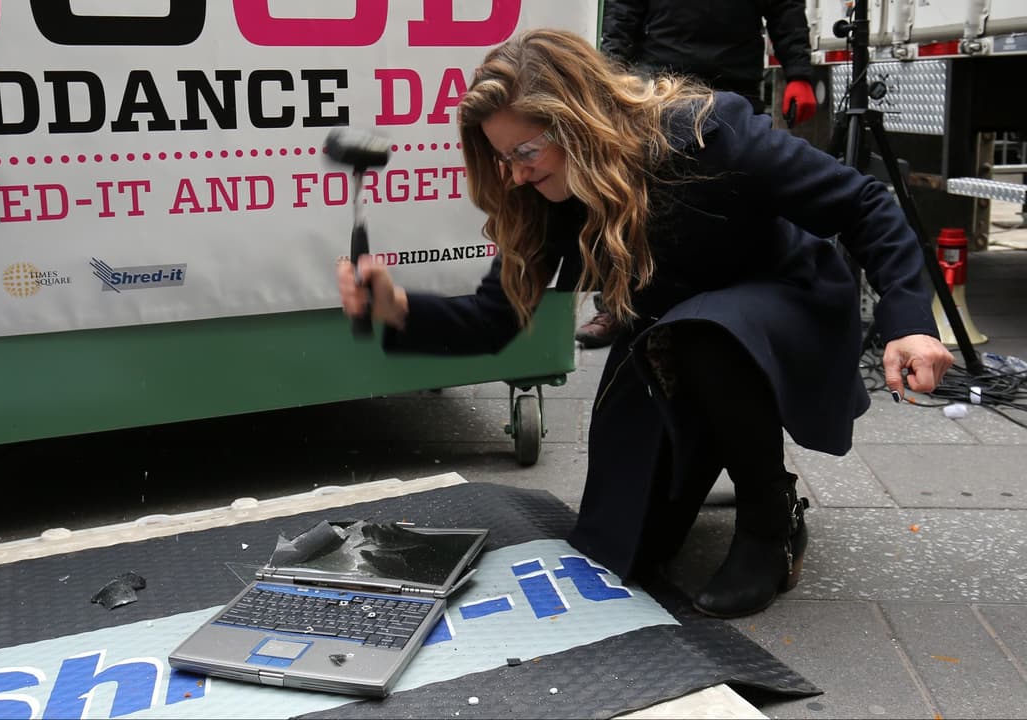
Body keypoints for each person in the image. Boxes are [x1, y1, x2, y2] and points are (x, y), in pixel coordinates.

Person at [335, 29, 953, 618]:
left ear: (576, 122)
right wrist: (399, 308)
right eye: (505, 158)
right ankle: (712, 447)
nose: (517, 173)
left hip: (783, 308)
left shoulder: (709, 134)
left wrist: (909, 322)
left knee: (706, 332)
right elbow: (495, 321)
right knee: (622, 548)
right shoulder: (544, 194)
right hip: (671, 339)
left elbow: (864, 204)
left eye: (525, 152)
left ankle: (770, 519)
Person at [577, 0, 818, 348]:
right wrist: (611, 77)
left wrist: (799, 73)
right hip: (660, 84)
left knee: (736, 202)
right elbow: (623, 11)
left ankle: (734, 307)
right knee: (640, 203)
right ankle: (621, 305)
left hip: (733, 80)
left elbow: (784, 7)